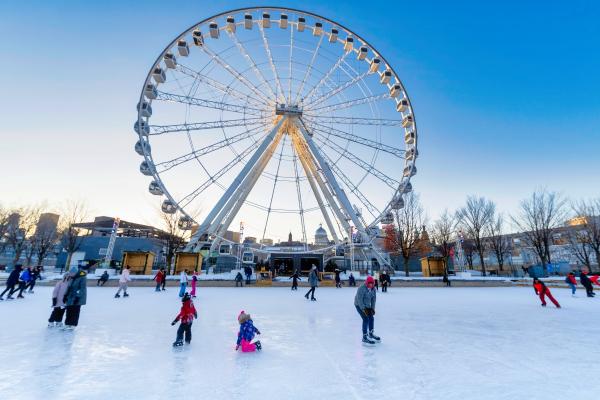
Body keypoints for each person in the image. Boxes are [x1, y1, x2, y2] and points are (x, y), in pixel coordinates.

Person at [354, 276, 380, 344]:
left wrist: (373, 309)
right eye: (369, 284)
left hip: (367, 305)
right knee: (365, 319)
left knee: (371, 318)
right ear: (367, 283)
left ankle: (371, 333)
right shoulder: (361, 288)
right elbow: (360, 300)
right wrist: (363, 309)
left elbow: (373, 299)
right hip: (359, 305)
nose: (371, 285)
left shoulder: (373, 289)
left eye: (372, 284)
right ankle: (364, 337)